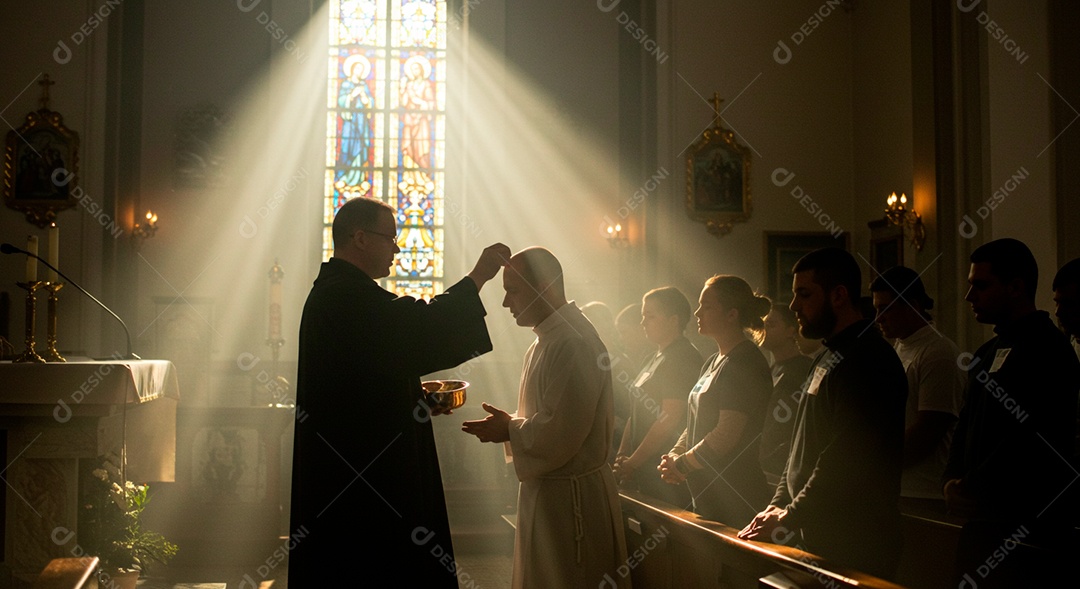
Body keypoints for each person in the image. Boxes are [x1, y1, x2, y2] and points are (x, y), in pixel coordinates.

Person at [288, 197, 509, 587]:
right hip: (361, 477)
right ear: (360, 238)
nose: (397, 248)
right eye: (390, 238)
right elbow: (418, 327)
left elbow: (366, 374)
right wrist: (477, 277)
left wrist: (411, 395)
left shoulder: (342, 292)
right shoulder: (344, 296)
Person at [461, 247, 628, 588]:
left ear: (546, 288)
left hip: (572, 501)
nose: (505, 303)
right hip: (552, 493)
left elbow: (562, 431)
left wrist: (509, 428)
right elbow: (552, 416)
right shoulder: (546, 340)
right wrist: (510, 425)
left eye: (513, 291)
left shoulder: (573, 342)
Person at [739, 248, 906, 579]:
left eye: (804, 294)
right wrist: (778, 504)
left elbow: (844, 457)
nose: (793, 306)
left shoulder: (869, 358)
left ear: (839, 295)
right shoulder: (826, 355)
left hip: (855, 538)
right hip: (816, 530)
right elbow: (801, 446)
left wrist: (790, 515)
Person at [944, 239, 1079, 587]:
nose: (969, 296)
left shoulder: (1048, 348)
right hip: (980, 522)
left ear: (1016, 287)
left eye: (981, 285)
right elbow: (964, 424)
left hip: (1026, 526)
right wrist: (952, 478)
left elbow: (1030, 437)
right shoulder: (987, 351)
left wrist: (971, 485)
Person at [657, 276, 772, 526]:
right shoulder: (713, 361)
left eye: (707, 306)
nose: (697, 313)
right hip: (707, 494)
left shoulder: (744, 361)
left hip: (736, 495)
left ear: (732, 314)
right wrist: (674, 455)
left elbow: (726, 433)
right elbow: (695, 421)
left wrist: (682, 465)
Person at [869, 266, 964, 513]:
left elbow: (928, 431)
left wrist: (875, 463)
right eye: (876, 309)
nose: (878, 318)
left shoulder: (938, 352)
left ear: (912, 305)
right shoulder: (900, 346)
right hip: (896, 486)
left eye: (885, 309)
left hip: (923, 491)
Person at [613, 287, 702, 507]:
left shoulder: (682, 356)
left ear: (673, 320)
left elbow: (668, 419)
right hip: (640, 467)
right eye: (643, 316)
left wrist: (633, 462)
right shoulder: (651, 358)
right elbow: (635, 412)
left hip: (664, 470)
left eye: (650, 316)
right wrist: (622, 456)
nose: (643, 322)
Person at [758, 304, 814, 485]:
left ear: (791, 330)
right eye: (763, 324)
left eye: (771, 324)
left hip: (788, 471)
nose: (764, 329)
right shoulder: (771, 369)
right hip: (766, 466)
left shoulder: (805, 370)